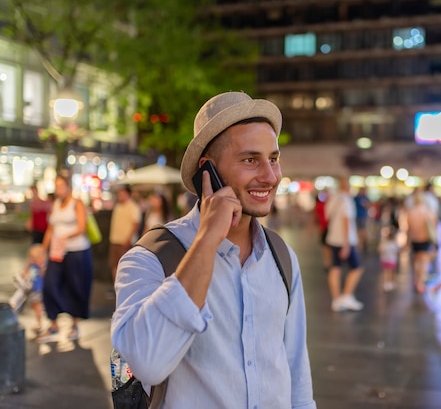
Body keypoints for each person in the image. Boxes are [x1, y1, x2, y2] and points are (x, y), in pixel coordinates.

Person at [111, 91, 316, 408]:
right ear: (208, 171)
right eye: (250, 160)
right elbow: (147, 363)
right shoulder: (149, 258)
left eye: (273, 159)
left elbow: (296, 372)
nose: (270, 176)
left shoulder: (282, 257)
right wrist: (207, 240)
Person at [39, 175, 94, 342]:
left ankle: (74, 324)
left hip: (76, 251)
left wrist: (64, 237)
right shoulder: (55, 204)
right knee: (49, 284)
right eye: (57, 186)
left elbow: (82, 227)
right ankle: (53, 324)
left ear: (68, 186)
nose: (59, 189)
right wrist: (43, 249)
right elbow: (51, 228)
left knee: (75, 286)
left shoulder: (76, 203)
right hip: (57, 252)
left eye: (62, 186)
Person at [325, 176, 365, 312]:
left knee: (335, 268)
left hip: (332, 239)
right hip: (345, 240)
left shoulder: (333, 199)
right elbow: (346, 222)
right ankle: (347, 295)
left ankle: (336, 300)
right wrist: (347, 244)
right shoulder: (346, 201)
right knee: (357, 268)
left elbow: (327, 217)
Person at [9, 243, 46, 334]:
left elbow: (44, 274)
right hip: (31, 289)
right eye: (32, 258)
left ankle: (39, 322)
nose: (33, 260)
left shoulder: (42, 267)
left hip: (38, 290)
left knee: (36, 306)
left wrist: (42, 267)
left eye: (35, 258)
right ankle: (38, 320)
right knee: (32, 304)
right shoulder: (32, 265)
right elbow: (25, 272)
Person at [109, 185, 141, 284]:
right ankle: (116, 288)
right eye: (119, 193)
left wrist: (128, 239)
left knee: (125, 266)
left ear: (128, 194)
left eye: (123, 193)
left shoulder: (133, 207)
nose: (120, 196)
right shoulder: (118, 206)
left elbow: (136, 224)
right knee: (114, 265)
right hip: (114, 241)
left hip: (125, 242)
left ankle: (125, 287)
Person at [406, 190, 437, 294]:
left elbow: (409, 229)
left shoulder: (411, 212)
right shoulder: (428, 212)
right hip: (425, 239)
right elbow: (434, 226)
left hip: (415, 239)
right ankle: (420, 282)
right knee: (423, 261)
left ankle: (416, 279)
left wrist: (407, 241)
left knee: (416, 261)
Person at [378, 225, 400, 292]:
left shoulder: (383, 243)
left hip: (384, 260)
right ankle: (391, 282)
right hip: (392, 260)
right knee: (391, 272)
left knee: (386, 272)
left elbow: (379, 251)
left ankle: (386, 283)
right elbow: (397, 251)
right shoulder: (394, 244)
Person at [314, 188, 332, 270]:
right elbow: (317, 216)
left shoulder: (328, 204)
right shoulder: (321, 205)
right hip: (325, 227)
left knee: (328, 246)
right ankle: (327, 262)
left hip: (329, 228)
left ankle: (328, 262)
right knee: (326, 246)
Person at [353, 187, 370, 252]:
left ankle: (363, 243)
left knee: (362, 230)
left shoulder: (365, 198)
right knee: (359, 231)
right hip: (357, 216)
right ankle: (360, 244)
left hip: (362, 216)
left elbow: (367, 205)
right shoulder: (356, 198)